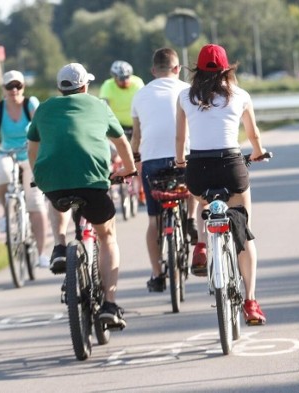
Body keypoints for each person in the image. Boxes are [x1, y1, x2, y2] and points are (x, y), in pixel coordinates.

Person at [27, 63, 137, 328]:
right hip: (92, 183)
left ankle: (59, 246)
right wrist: (129, 169)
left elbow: (32, 146)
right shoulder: (99, 105)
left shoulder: (43, 108)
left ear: (59, 88)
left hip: (53, 182)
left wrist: (37, 176)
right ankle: (109, 304)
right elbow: (121, 142)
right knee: (107, 236)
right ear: (85, 86)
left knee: (57, 196)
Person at [175, 44, 268, 325]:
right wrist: (258, 152)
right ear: (227, 68)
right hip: (231, 166)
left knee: (205, 204)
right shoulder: (240, 95)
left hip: (198, 169)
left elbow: (181, 140)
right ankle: (250, 302)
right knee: (244, 230)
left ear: (197, 69)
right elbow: (253, 134)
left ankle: (202, 244)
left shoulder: (185, 96)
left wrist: (181, 162)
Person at [130, 47, 199, 292]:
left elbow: (136, 136)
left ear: (153, 71)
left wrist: (135, 158)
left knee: (153, 220)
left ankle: (157, 274)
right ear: (177, 69)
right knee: (192, 185)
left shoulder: (140, 94)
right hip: (184, 155)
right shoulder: (187, 90)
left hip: (152, 162)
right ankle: (190, 219)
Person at [0, 70, 50, 268]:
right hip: (7, 152)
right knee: (2, 173)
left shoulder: (31, 104)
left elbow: (41, 125)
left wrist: (46, 141)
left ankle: (42, 254)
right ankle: (6, 212)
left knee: (35, 201)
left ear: (23, 88)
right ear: (3, 89)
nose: (14, 90)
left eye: (18, 86)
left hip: (30, 154)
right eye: (9, 86)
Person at [99, 60, 146, 203]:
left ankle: (141, 189)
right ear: (114, 78)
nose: (125, 81)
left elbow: (144, 104)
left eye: (127, 78)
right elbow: (103, 106)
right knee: (111, 152)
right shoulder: (108, 86)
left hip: (135, 124)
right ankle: (113, 184)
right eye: (121, 79)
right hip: (117, 125)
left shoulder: (137, 83)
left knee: (137, 157)